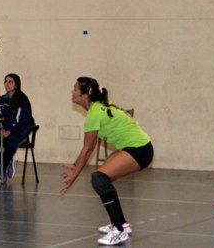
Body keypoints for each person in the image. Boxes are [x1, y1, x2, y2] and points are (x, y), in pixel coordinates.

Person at [60, 77, 154, 246]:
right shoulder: (97, 109)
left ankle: (119, 230)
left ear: (84, 95)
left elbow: (87, 150)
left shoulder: (94, 114)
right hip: (136, 147)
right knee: (101, 179)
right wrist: (74, 166)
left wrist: (74, 175)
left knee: (99, 179)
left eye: (75, 89)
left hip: (139, 149)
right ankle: (121, 224)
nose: (72, 92)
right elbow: (89, 148)